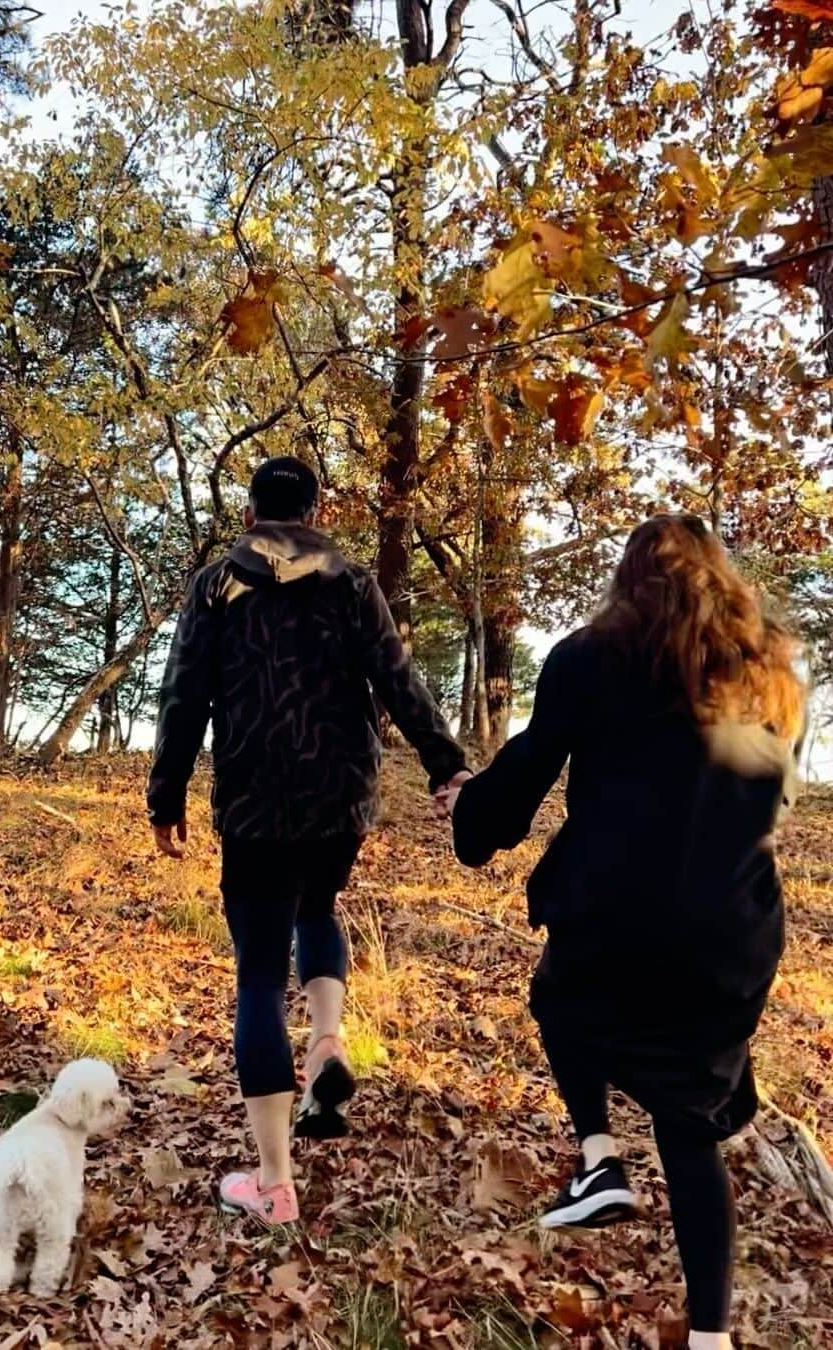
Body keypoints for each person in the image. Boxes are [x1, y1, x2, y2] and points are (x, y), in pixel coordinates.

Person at [438, 515, 804, 1350]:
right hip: (732, 931)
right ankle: (711, 1337)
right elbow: (768, 801)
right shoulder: (771, 673)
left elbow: (526, 772)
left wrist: (471, 811)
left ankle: (598, 1156)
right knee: (688, 1127)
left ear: (628, 580)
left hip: (613, 920)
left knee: (557, 999)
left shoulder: (590, 658)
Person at [147, 456, 470, 1223]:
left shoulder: (216, 586)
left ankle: (272, 1183)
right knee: (317, 908)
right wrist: (445, 764)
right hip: (340, 791)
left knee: (259, 977)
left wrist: (166, 793)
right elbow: (399, 678)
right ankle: (326, 1040)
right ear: (315, 509)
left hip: (257, 795)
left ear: (253, 511)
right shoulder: (351, 583)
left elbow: (184, 693)